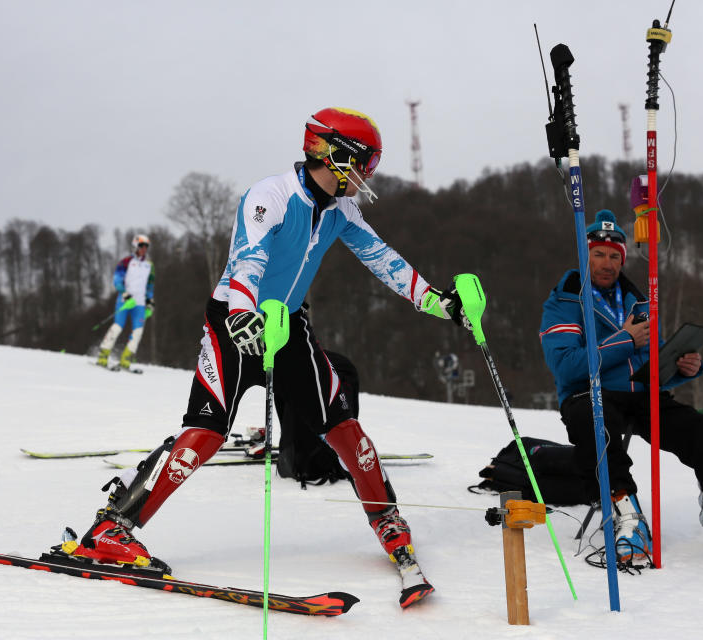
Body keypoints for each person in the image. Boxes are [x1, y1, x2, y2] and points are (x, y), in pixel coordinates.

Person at [60, 107, 465, 604]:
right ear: (336, 157)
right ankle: (113, 528)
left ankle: (386, 516)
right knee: (206, 432)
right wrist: (242, 314)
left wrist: (437, 301)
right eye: (365, 164)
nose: (369, 176)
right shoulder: (268, 197)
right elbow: (246, 260)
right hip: (235, 320)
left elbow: (383, 259)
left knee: (341, 423)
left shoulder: (342, 210)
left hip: (289, 325)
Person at [539, 209, 703, 568]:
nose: (607, 262)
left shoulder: (638, 302)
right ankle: (627, 520)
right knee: (596, 427)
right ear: (584, 256)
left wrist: (682, 368)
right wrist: (625, 340)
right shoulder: (564, 302)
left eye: (615, 256)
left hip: (644, 396)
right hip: (590, 395)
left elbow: (653, 370)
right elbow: (567, 366)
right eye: (598, 254)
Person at [95, 235, 155, 369]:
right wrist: (125, 294)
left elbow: (150, 286)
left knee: (138, 331)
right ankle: (103, 355)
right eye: (141, 246)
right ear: (135, 247)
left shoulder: (149, 266)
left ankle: (126, 358)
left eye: (146, 247)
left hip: (139, 304)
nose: (144, 249)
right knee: (117, 327)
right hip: (125, 301)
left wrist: (150, 302)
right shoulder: (126, 262)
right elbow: (117, 280)